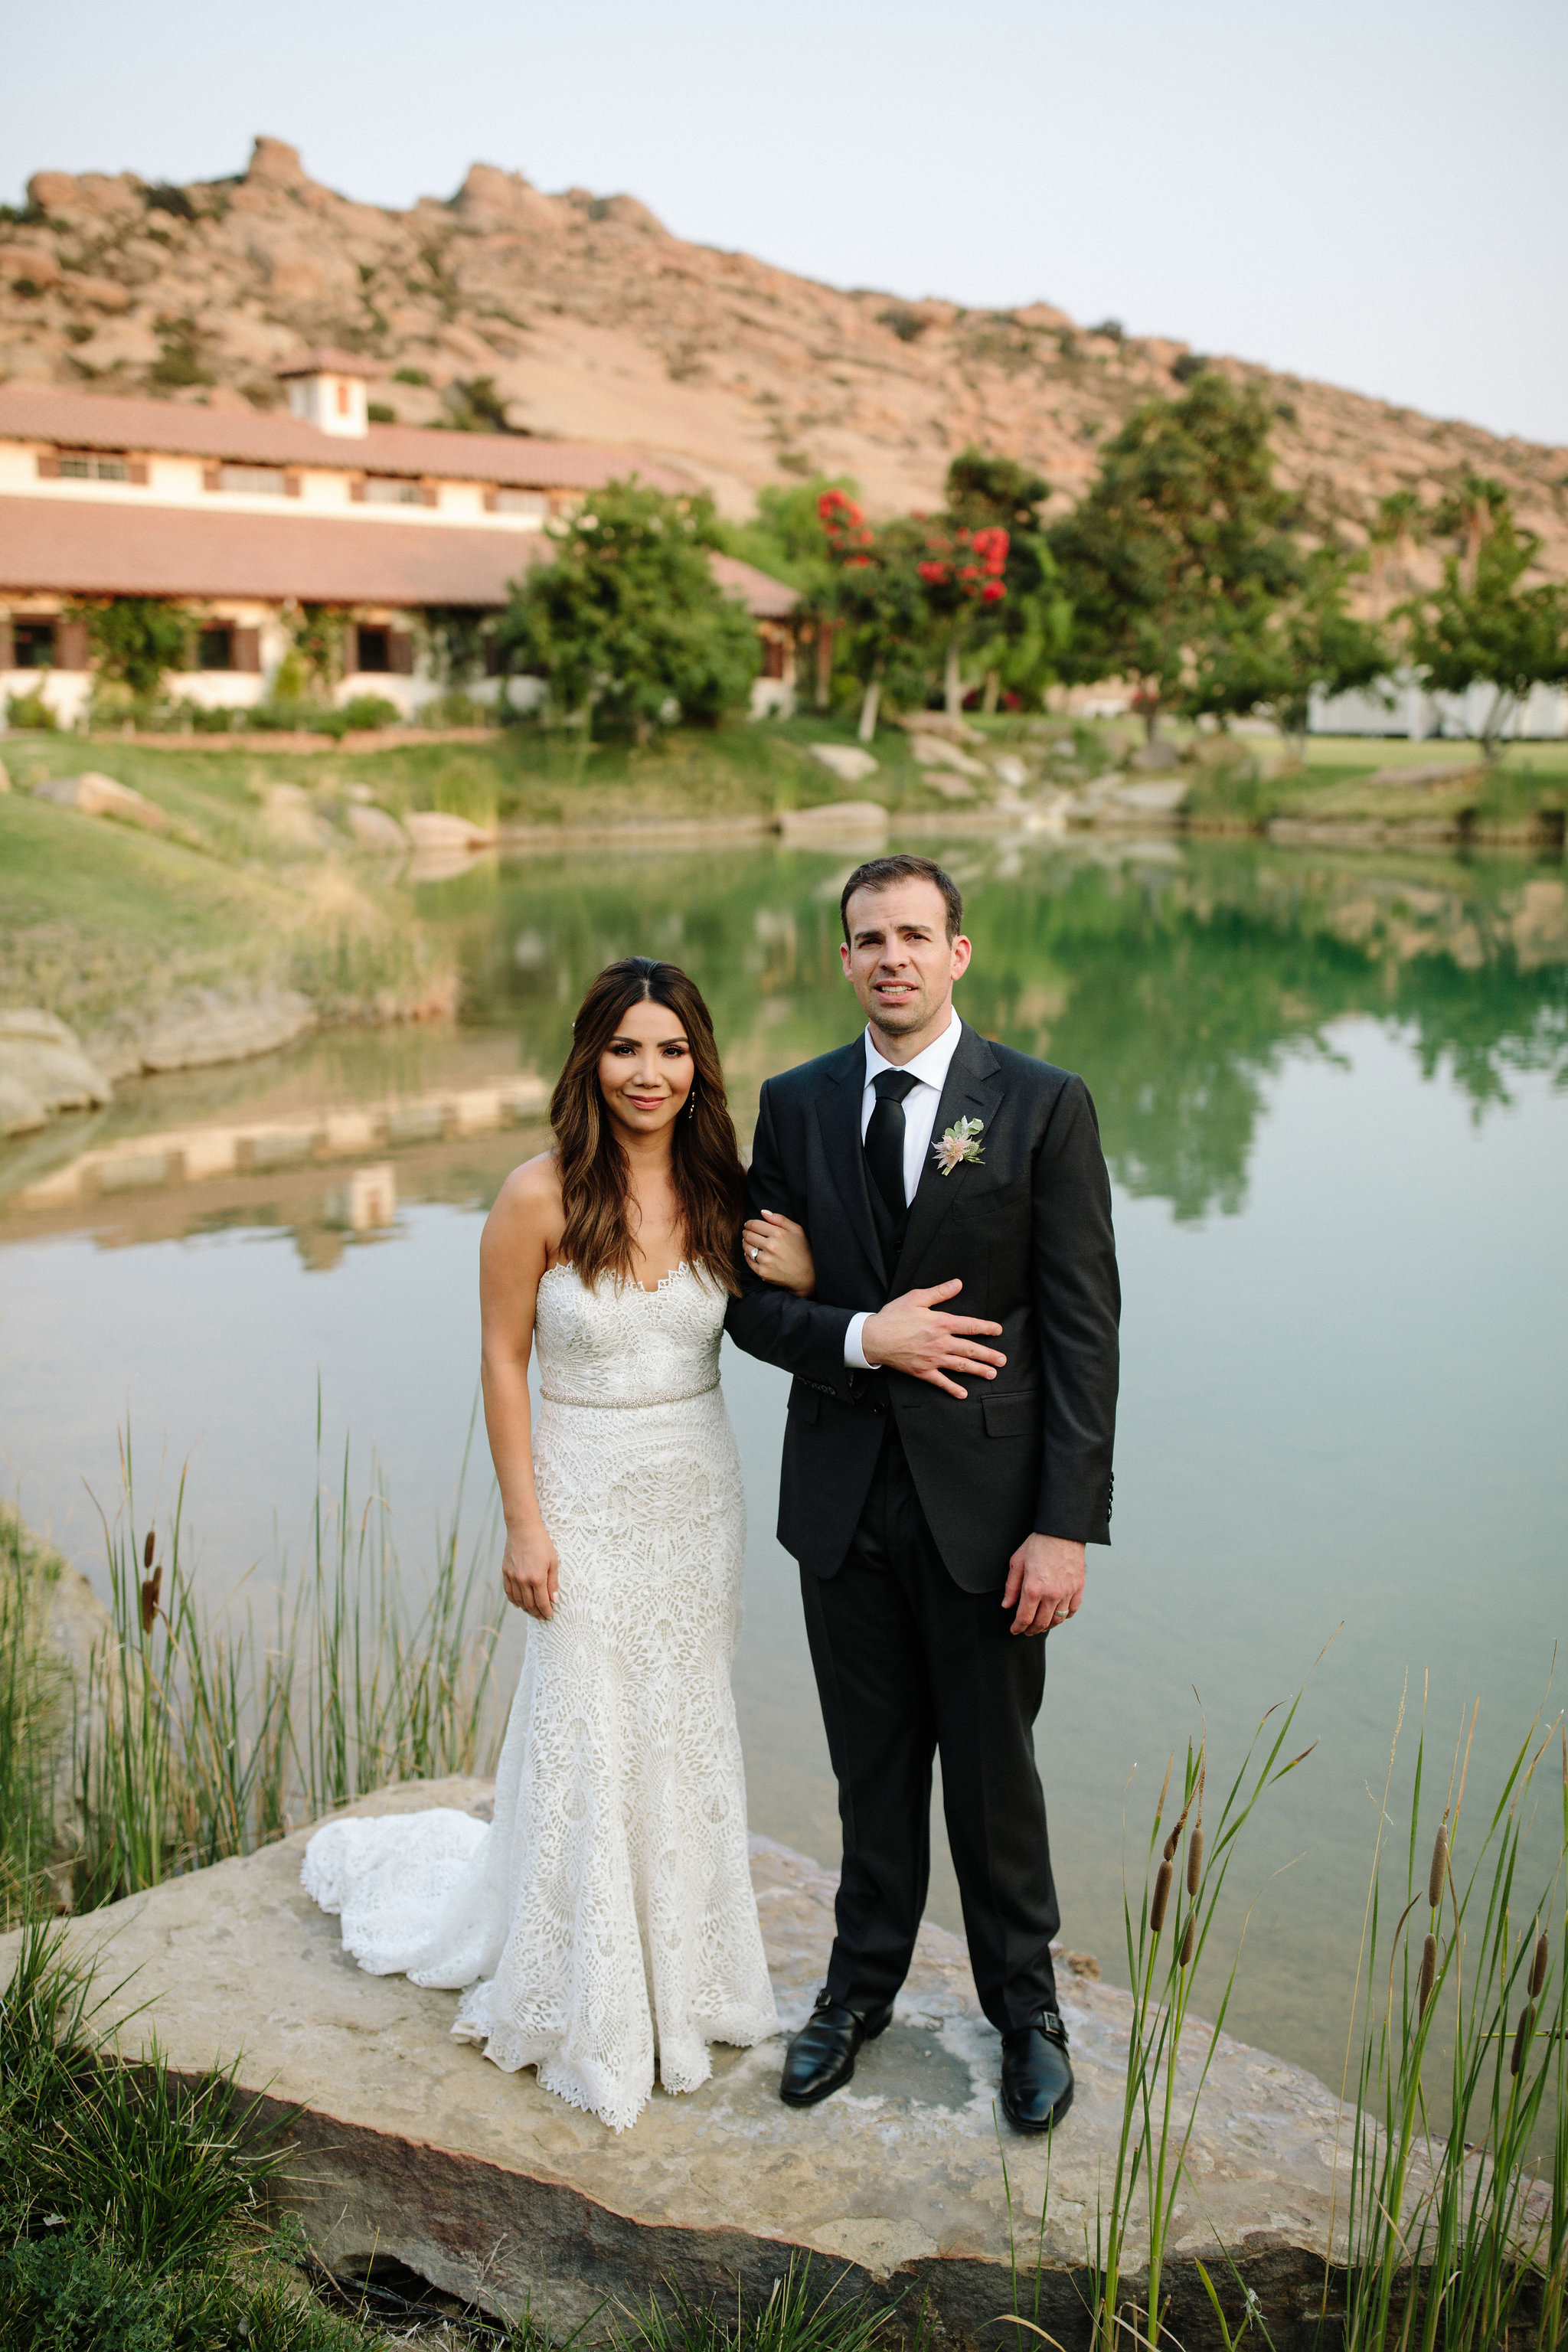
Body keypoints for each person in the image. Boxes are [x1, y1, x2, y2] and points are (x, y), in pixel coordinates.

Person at [302, 957, 795, 2132]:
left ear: (699, 1065)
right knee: (584, 1717)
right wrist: (524, 1522)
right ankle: (584, 1987)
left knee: (680, 1713)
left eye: (672, 1050)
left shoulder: (726, 1186)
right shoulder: (535, 1195)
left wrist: (818, 1275)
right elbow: (501, 1360)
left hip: (694, 1490)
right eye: (627, 1048)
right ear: (590, 1058)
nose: (650, 1072)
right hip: (577, 1488)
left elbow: (786, 1305)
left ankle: (691, 1976)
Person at [726, 854, 1120, 2135]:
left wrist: (1063, 1525)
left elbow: (1082, 1332)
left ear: (959, 952)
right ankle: (857, 1990)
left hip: (993, 1510)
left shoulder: (1043, 1105)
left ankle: (1026, 2009)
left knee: (995, 1771)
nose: (890, 956)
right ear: (841, 961)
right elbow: (754, 1308)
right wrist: (856, 1335)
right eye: (867, 938)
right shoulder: (794, 1105)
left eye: (914, 934)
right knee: (870, 1766)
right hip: (842, 1502)